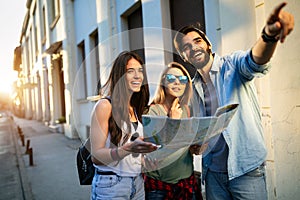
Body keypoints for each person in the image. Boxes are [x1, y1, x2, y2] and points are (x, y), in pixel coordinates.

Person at [173, 2, 294, 200]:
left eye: (197, 41)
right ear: (184, 57)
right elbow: (205, 131)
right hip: (213, 174)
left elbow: (255, 61)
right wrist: (197, 144)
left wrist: (269, 36)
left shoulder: (232, 66)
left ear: (208, 44)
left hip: (245, 172)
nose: (193, 47)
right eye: (186, 47)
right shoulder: (192, 89)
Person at [89, 51, 158, 200]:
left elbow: (132, 153)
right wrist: (126, 150)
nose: (137, 76)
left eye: (140, 71)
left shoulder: (135, 108)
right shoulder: (104, 106)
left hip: (137, 182)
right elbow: (95, 156)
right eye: (130, 71)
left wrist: (145, 161)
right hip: (111, 185)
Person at [143, 62, 203, 200]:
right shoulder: (153, 111)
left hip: (187, 182)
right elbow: (155, 153)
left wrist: (195, 147)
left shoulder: (186, 111)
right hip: (160, 188)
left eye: (182, 80)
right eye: (171, 78)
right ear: (163, 81)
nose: (177, 83)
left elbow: (184, 145)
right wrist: (173, 122)